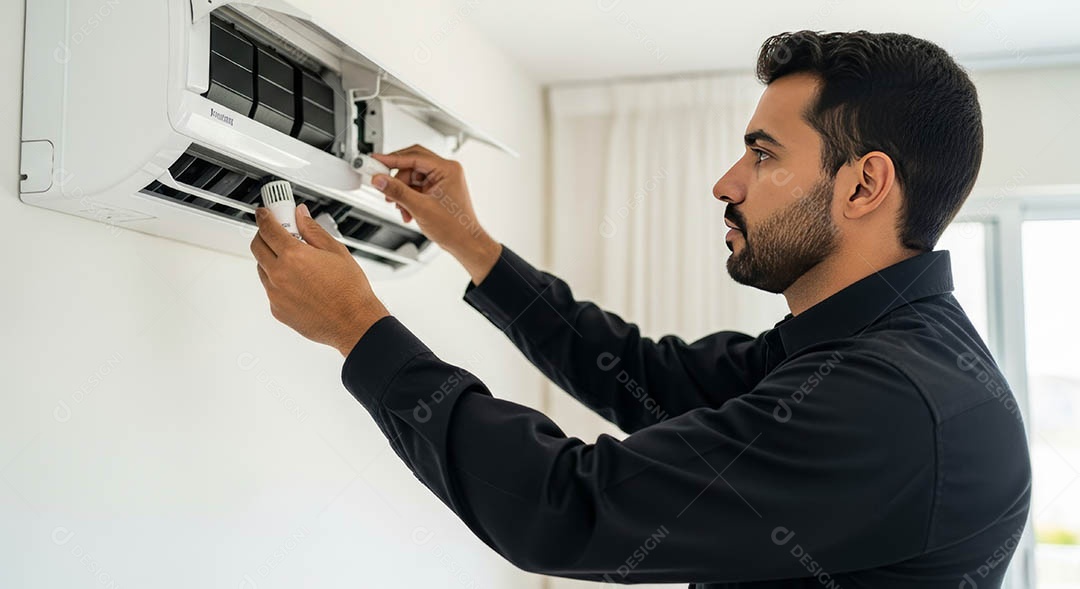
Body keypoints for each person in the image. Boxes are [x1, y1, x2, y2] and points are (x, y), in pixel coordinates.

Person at [250, 30, 1031, 588]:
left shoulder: (892, 404)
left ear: (863, 185)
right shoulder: (855, 347)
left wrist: (360, 330)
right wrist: (474, 244)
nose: (727, 183)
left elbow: (568, 505)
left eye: (763, 155)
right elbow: (642, 374)